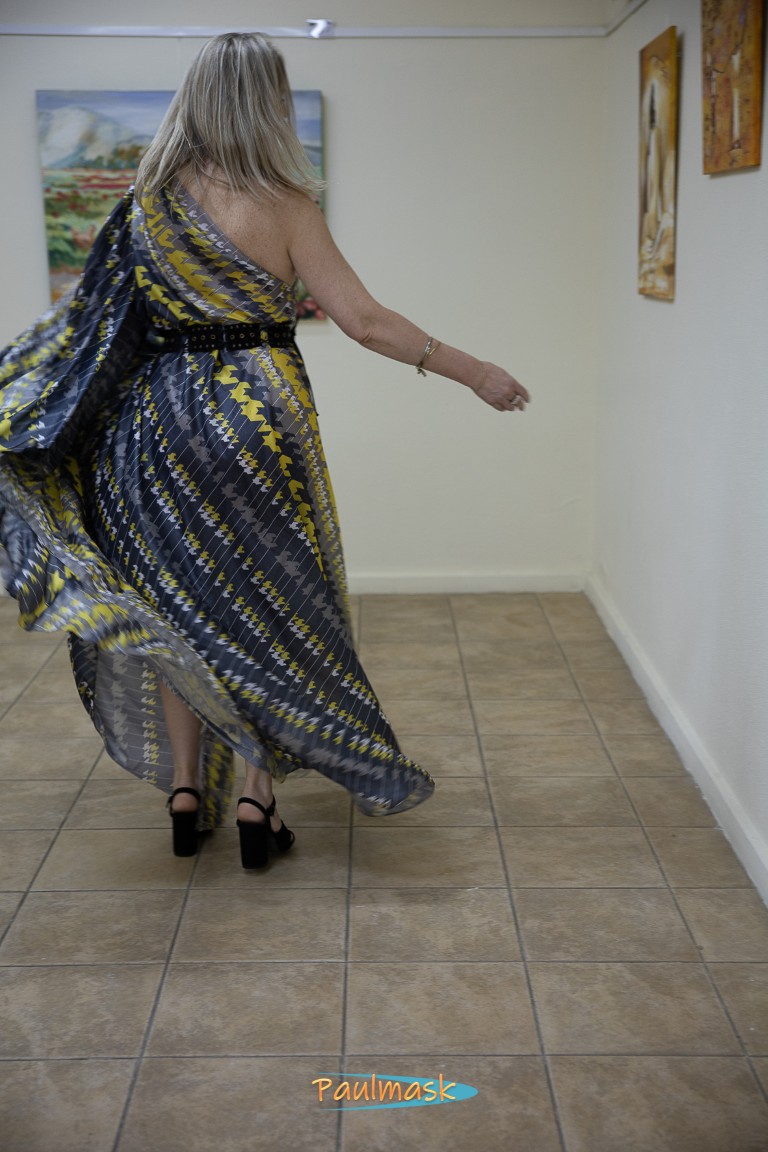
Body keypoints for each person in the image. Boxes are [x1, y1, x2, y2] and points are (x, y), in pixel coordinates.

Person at [0, 32, 529, 869]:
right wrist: (475, 373)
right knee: (269, 612)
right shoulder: (286, 205)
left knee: (176, 615)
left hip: (156, 430)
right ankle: (255, 801)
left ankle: (185, 792)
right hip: (256, 427)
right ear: (267, 103)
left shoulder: (142, 206)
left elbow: (94, 330)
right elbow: (365, 322)